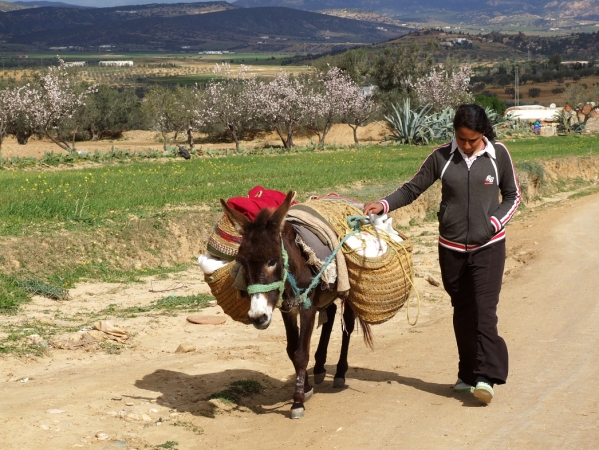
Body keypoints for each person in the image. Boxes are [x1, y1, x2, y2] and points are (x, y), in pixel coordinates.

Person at [364, 104, 521, 405]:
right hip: (450, 249)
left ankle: (487, 376)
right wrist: (383, 205)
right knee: (463, 312)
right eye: (461, 139)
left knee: (484, 312)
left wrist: (494, 222)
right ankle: (466, 375)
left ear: (482, 134)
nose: (466, 145)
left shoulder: (498, 154)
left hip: (489, 247)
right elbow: (412, 188)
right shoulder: (441, 157)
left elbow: (513, 195)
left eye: (472, 140)